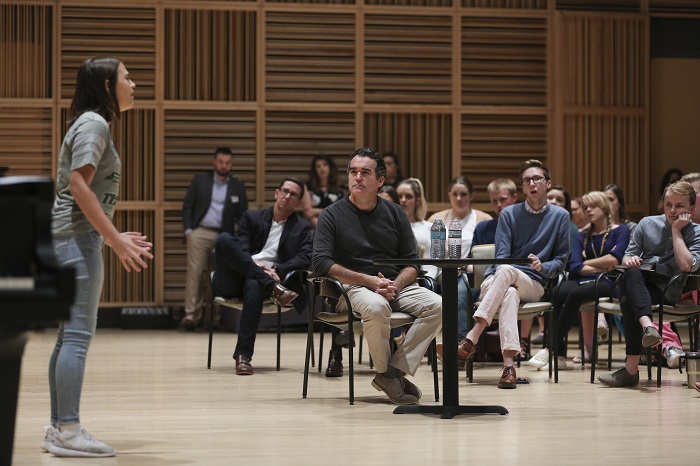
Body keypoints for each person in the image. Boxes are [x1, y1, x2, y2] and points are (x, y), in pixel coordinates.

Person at [46, 56, 153, 457]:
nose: (134, 84)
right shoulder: (95, 123)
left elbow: (78, 191)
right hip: (76, 241)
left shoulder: (90, 123)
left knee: (66, 335)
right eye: (128, 77)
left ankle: (59, 428)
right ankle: (69, 430)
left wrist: (110, 237)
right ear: (107, 86)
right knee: (76, 335)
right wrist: (114, 240)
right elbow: (77, 184)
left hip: (69, 238)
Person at [312, 147, 442, 404]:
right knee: (377, 305)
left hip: (395, 286)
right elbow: (320, 262)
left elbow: (412, 262)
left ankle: (391, 372)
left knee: (438, 305)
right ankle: (387, 374)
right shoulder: (331, 215)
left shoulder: (395, 213)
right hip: (352, 289)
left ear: (380, 181)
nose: (357, 177)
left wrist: (394, 284)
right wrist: (368, 281)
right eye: (353, 172)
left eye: (365, 172)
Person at [455, 159, 570, 389]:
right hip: (497, 278)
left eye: (536, 178)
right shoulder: (509, 214)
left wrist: (542, 267)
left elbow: (561, 261)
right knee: (508, 292)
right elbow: (502, 259)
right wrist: (510, 275)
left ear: (547, 184)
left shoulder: (560, 216)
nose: (531, 183)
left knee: (509, 278)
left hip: (534, 282)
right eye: (526, 180)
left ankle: (472, 337)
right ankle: (509, 368)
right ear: (523, 188)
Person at [598, 181, 700, 388]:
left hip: (667, 290)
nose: (672, 210)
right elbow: (627, 257)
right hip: (641, 281)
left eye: (679, 206)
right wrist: (631, 260)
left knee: (628, 296)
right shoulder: (646, 223)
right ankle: (648, 326)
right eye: (668, 204)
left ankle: (631, 370)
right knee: (630, 275)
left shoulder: (696, 232)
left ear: (691, 208)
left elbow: (686, 266)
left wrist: (676, 231)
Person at [213, 177, 312, 375]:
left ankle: (243, 357)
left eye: (293, 194)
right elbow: (240, 247)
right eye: (284, 191)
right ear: (276, 193)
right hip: (236, 278)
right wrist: (256, 266)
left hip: (267, 281)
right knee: (223, 239)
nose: (287, 196)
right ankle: (269, 284)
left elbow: (306, 257)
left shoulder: (302, 227)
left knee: (254, 284)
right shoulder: (252, 217)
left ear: (299, 202)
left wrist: (277, 268)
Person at [527, 191, 630, 370]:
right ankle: (559, 357)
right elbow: (575, 265)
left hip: (608, 281)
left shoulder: (621, 230)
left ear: (604, 208)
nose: (588, 210)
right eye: (585, 207)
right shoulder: (582, 235)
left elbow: (615, 260)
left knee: (575, 293)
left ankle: (548, 348)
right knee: (557, 291)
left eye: (592, 206)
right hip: (583, 278)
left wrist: (590, 263)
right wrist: (601, 264)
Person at [436, 178, 518, 360]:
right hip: (481, 280)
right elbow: (473, 260)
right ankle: (459, 345)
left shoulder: (522, 226)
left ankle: (470, 345)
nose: (498, 205)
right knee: (458, 291)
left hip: (512, 280)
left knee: (509, 291)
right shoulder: (483, 227)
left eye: (503, 200)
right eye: (494, 201)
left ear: (514, 198)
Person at [180, 147, 248, 331]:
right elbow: (188, 206)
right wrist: (188, 231)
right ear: (214, 162)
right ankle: (191, 316)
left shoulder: (237, 186)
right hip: (200, 232)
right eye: (221, 162)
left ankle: (214, 318)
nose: (224, 166)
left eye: (227, 163)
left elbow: (242, 215)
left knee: (219, 276)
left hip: (224, 235)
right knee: (195, 273)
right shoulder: (200, 181)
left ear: (231, 164)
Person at [428, 175, 492, 259]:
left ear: (471, 196)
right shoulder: (435, 219)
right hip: (441, 269)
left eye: (463, 194)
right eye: (455, 194)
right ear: (449, 195)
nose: (458, 198)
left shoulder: (485, 220)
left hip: (470, 269)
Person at [396, 178, 438, 279]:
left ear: (418, 201)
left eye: (408, 196)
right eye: (399, 196)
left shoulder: (431, 228)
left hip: (426, 278)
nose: (403, 200)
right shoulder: (389, 228)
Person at [301, 154, 344, 228]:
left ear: (330, 167)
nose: (322, 168)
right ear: (315, 170)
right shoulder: (307, 187)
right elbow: (308, 212)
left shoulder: (339, 189)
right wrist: (321, 229)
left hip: (334, 227)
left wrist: (315, 211)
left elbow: (340, 213)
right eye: (318, 166)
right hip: (314, 227)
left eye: (325, 165)